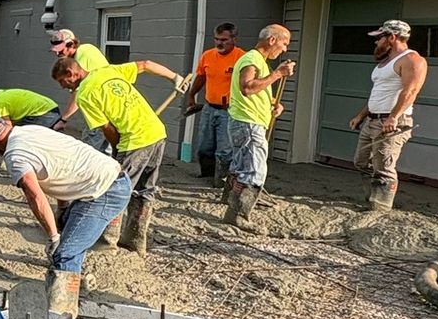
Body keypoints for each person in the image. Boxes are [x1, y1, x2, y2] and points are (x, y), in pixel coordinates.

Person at [0, 113, 131, 318]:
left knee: (64, 253)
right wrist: (63, 209)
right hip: (108, 176)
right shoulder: (30, 131)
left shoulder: (15, 156)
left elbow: (35, 197)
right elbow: (60, 168)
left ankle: (60, 317)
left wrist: (53, 237)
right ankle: (75, 281)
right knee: (69, 232)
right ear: (7, 124)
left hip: (104, 191)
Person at [50, 54, 189, 256]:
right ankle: (135, 241)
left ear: (72, 73)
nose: (63, 87)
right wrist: (174, 77)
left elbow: (107, 129)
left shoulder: (85, 94)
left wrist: (117, 151)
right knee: (144, 190)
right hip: (157, 133)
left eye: (63, 81)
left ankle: (107, 243)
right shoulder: (110, 71)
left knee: (114, 191)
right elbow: (145, 64)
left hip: (134, 141)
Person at [348, 19, 428, 213]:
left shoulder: (412, 60)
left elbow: (410, 91)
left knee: (384, 167)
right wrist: (360, 116)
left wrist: (393, 117)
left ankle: (380, 207)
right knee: (361, 161)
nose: (376, 42)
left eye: (380, 38)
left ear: (392, 37)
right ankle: (371, 199)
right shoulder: (386, 62)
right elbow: (378, 94)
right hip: (372, 120)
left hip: (391, 122)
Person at [225, 24, 294, 227]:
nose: (285, 49)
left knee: (240, 165)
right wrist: (278, 74)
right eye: (284, 43)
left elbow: (258, 89)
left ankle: (230, 201)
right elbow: (247, 87)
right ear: (272, 40)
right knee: (254, 170)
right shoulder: (251, 60)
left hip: (246, 120)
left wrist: (273, 104)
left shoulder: (259, 61)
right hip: (248, 123)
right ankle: (238, 214)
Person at [184, 22, 240, 183]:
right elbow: (201, 77)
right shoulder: (207, 55)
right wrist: (192, 95)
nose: (219, 43)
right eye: (216, 39)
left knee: (224, 149)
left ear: (234, 39)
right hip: (209, 107)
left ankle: (221, 181)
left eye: (224, 39)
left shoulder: (241, 58)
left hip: (229, 110)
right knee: (204, 147)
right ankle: (206, 175)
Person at [0, 81, 62, 169]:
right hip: (51, 108)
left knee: (12, 136)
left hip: (43, 113)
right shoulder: (2, 94)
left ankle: (4, 164)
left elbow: (6, 130)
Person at [44, 28, 111, 138]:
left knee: (94, 147)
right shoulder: (79, 55)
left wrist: (63, 119)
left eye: (60, 50)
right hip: (102, 106)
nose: (57, 53)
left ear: (71, 45)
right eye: (55, 50)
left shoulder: (83, 54)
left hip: (105, 108)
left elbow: (78, 94)